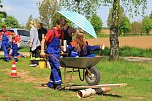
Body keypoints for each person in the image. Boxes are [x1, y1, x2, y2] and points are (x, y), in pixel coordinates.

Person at [41, 19, 63, 90]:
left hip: (57, 52)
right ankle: (57, 84)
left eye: (63, 26)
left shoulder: (61, 32)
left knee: (54, 67)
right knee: (56, 67)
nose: (62, 27)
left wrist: (61, 49)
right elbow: (43, 41)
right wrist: (42, 51)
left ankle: (51, 83)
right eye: (61, 26)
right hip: (51, 52)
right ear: (57, 24)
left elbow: (59, 41)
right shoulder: (51, 32)